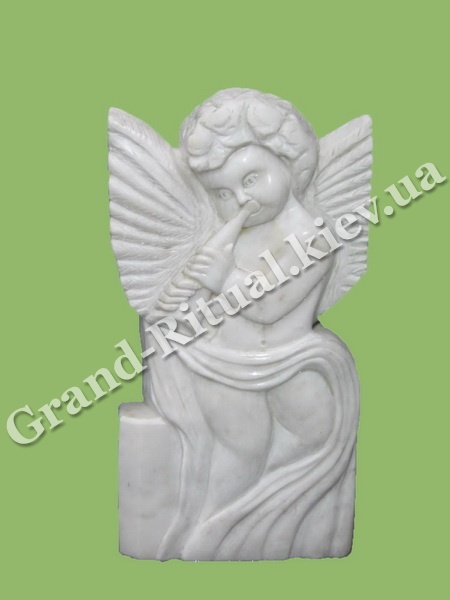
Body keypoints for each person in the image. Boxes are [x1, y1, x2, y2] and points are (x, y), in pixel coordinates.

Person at [144, 89, 359, 560]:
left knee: (291, 449)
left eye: (251, 178)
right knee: (241, 450)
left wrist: (222, 277)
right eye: (222, 193)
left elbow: (267, 306)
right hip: (225, 360)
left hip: (286, 361)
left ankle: (242, 530)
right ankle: (204, 532)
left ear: (289, 163)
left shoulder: (314, 239)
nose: (240, 199)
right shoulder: (237, 235)